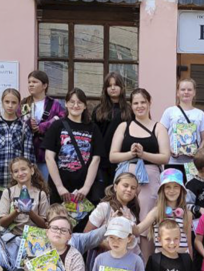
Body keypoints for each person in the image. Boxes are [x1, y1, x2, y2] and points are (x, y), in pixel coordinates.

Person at [109, 88, 171, 260]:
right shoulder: (124, 126)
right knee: (121, 214)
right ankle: (120, 259)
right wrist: (132, 154)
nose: (140, 106)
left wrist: (144, 155)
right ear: (131, 105)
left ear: (150, 103)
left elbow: (165, 157)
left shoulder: (159, 127)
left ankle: (145, 264)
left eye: (143, 102)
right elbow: (113, 156)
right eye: (136, 103)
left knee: (146, 221)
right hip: (126, 175)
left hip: (150, 178)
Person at [43, 88, 104, 232]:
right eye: (72, 102)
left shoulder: (92, 128)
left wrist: (86, 187)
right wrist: (59, 187)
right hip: (60, 186)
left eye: (79, 102)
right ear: (66, 104)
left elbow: (96, 159)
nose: (75, 105)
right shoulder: (57, 126)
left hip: (84, 188)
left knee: (82, 229)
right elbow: (49, 157)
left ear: (85, 105)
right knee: (58, 225)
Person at [0, 88, 35, 213]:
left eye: (14, 102)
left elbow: (28, 156)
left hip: (17, 180)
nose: (10, 105)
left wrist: (27, 179)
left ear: (19, 105)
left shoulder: (23, 126)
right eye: (7, 102)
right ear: (2, 102)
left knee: (15, 213)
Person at [21, 70, 67, 181]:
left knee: (45, 185)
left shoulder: (54, 104)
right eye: (29, 82)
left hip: (47, 151)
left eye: (34, 82)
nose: (31, 84)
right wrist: (28, 124)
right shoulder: (25, 103)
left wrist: (45, 125)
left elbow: (63, 119)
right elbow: (20, 121)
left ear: (44, 85)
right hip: (28, 151)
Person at [160, 78, 204, 178]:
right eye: (183, 89)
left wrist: (198, 153)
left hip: (193, 164)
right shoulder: (170, 111)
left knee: (191, 187)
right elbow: (161, 134)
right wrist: (169, 149)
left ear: (194, 93)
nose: (186, 92)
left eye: (189, 89)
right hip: (172, 162)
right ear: (177, 93)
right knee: (173, 186)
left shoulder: (200, 114)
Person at [136, 169, 193, 255]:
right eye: (168, 187)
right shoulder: (156, 211)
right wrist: (127, 221)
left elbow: (189, 244)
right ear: (162, 190)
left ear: (181, 189)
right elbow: (138, 229)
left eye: (176, 186)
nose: (172, 190)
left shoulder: (187, 214)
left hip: (183, 259)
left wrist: (190, 260)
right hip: (162, 259)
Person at [93, 72, 133, 179]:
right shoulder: (98, 110)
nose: (113, 88)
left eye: (116, 85)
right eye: (109, 85)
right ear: (105, 88)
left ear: (122, 87)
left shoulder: (129, 110)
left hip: (124, 158)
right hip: (102, 159)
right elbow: (94, 136)